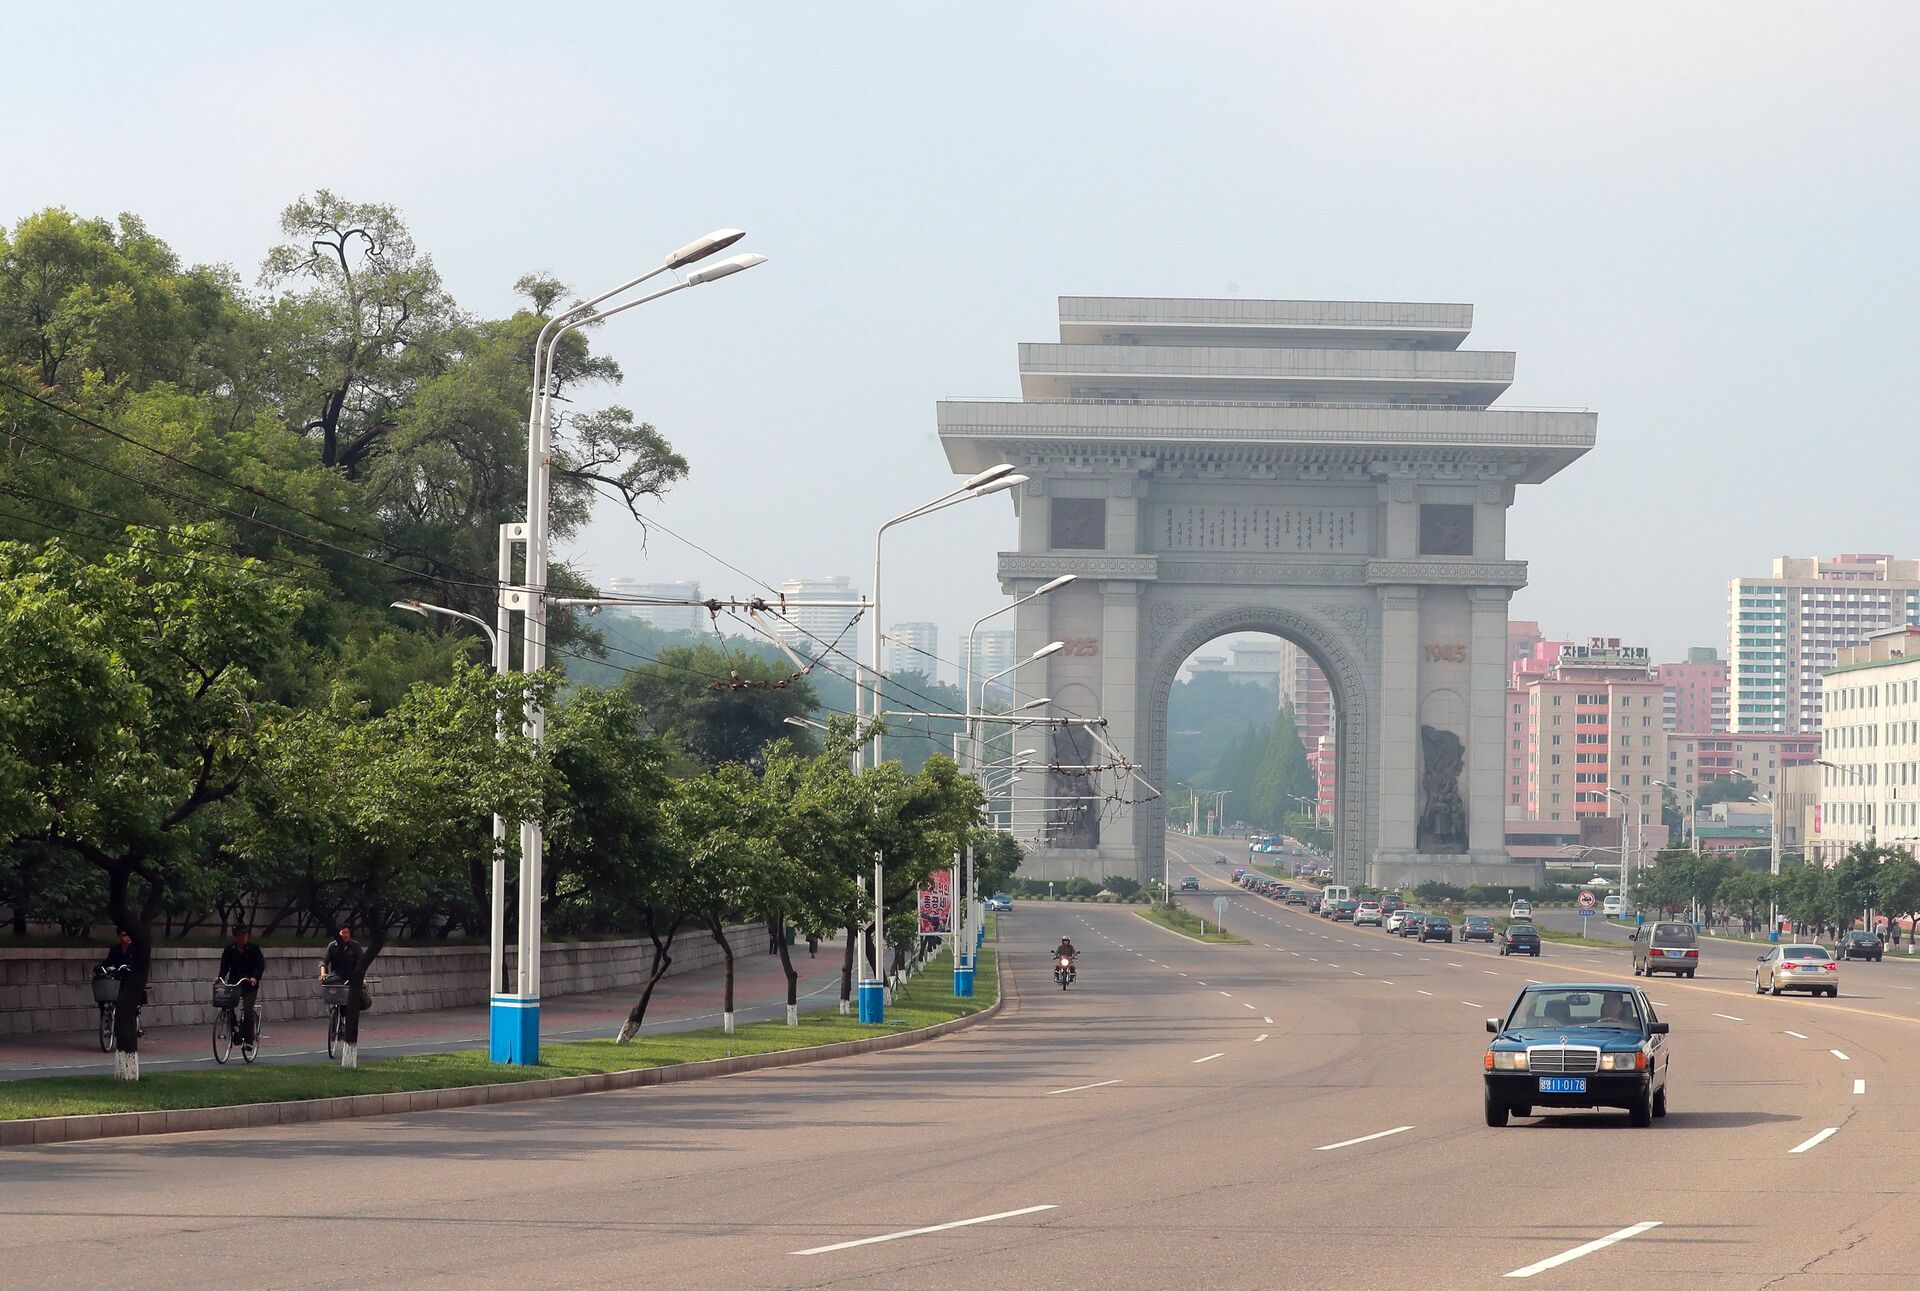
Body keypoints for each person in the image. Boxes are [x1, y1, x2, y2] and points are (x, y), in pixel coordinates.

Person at [217, 925, 266, 1044]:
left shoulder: (253, 948)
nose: (244, 937)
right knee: (227, 1006)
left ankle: (249, 1040)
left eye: (245, 935)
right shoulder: (229, 950)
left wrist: (255, 977)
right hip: (235, 983)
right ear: (235, 937)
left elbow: (260, 964)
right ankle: (234, 1030)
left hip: (249, 985)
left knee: (248, 1011)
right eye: (241, 935)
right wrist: (220, 977)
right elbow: (224, 966)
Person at [97, 928, 144, 1036]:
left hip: (130, 979)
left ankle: (129, 1024)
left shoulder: (136, 949)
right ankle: (107, 1022)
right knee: (105, 998)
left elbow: (140, 964)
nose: (127, 937)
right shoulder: (115, 949)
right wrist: (101, 967)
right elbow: (108, 961)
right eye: (124, 935)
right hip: (118, 977)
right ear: (119, 936)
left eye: (129, 935)